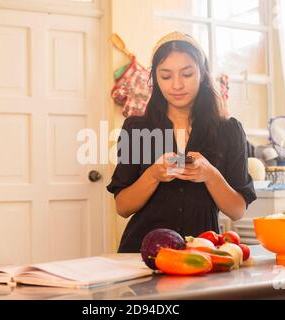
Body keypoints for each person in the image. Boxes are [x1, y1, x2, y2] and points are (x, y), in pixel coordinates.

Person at [107, 31, 257, 253]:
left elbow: (237, 210)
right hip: (143, 252)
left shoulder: (229, 130)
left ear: (202, 74)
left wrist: (210, 174)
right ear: (155, 79)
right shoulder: (136, 128)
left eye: (186, 74)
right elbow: (123, 207)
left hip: (203, 253)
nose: (176, 85)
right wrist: (153, 174)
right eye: (166, 76)